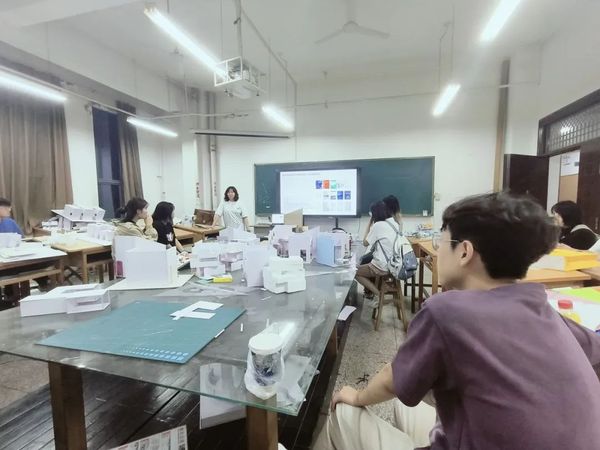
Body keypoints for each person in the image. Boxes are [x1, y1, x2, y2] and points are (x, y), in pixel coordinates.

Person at [315, 192, 600, 450]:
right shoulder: (544, 308)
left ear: (464, 252)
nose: (438, 250)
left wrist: (357, 396)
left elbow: (391, 379)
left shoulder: (446, 311)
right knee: (406, 403)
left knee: (344, 412)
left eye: (441, 241)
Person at [356, 201, 399, 307]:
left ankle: (378, 294)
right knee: (366, 259)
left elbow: (365, 242)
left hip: (382, 266)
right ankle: (379, 291)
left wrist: (370, 222)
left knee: (354, 272)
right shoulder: (394, 224)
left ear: (374, 214)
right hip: (394, 264)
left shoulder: (378, 226)